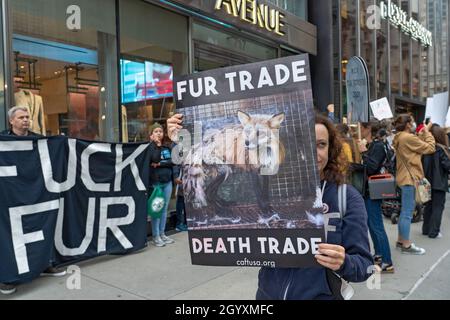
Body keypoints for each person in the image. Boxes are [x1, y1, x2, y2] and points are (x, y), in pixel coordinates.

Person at [167, 113, 373, 300]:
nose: (314, 151)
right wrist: (180, 140)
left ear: (331, 149)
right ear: (300, 146)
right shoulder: (273, 183)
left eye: (321, 144)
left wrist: (344, 262)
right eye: (308, 143)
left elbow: (365, 267)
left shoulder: (346, 197)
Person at [1, 106, 66, 295]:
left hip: (37, 194)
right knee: (9, 236)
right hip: (10, 197)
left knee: (42, 227)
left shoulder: (40, 140)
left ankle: (45, 264)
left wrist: (60, 142)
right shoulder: (3, 140)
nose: (26, 120)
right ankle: (7, 276)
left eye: (27, 117)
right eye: (21, 117)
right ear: (11, 121)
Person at [393, 114, 435, 255]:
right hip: (409, 179)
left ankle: (401, 241)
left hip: (403, 177)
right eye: (411, 121)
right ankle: (406, 245)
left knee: (404, 212)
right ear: (407, 124)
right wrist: (428, 133)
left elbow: (416, 145)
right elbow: (430, 148)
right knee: (407, 213)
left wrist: (424, 130)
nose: (413, 123)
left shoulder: (400, 137)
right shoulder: (407, 137)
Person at [362, 122, 394, 273]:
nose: (359, 130)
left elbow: (372, 168)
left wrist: (363, 152)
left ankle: (387, 262)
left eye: (361, 128)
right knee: (372, 224)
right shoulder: (376, 145)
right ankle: (380, 254)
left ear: (368, 129)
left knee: (376, 226)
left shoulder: (378, 146)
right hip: (371, 190)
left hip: (372, 190)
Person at [148, 123, 180, 247]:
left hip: (167, 182)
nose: (159, 133)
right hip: (156, 183)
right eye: (155, 131)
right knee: (156, 209)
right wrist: (156, 145)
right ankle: (155, 236)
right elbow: (154, 159)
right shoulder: (150, 147)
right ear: (151, 135)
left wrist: (161, 164)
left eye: (160, 131)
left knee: (164, 209)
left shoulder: (166, 147)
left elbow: (173, 161)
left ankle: (162, 234)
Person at [422, 125, 450, 239]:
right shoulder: (441, 149)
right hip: (439, 183)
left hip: (426, 182)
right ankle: (434, 232)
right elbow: (447, 166)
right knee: (438, 207)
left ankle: (426, 229)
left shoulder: (426, 149)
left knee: (428, 206)